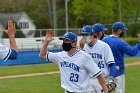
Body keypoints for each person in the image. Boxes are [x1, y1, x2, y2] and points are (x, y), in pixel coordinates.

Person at [39, 29, 109, 93]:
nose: (64, 43)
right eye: (63, 41)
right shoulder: (60, 56)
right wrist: (46, 41)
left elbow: (99, 75)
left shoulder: (85, 57)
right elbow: (42, 55)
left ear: (73, 43)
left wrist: (105, 91)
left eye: (67, 41)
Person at [102, 22, 140, 93]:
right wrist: (139, 42)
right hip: (118, 72)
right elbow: (132, 52)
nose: (123, 32)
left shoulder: (104, 40)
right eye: (123, 30)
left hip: (106, 71)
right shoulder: (120, 42)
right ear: (119, 30)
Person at [79, 25, 116, 93]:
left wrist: (111, 79)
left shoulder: (104, 46)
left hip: (103, 80)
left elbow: (112, 64)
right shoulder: (82, 47)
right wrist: (81, 49)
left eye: (86, 35)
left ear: (93, 35)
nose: (84, 37)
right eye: (83, 35)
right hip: (88, 80)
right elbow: (79, 64)